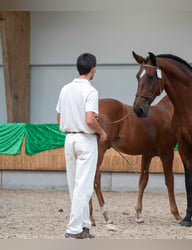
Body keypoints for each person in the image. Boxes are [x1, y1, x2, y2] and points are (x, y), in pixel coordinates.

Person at [56, 52, 107, 239]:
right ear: (93, 70)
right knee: (84, 187)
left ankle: (84, 226)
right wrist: (101, 132)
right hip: (85, 140)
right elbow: (88, 119)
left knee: (74, 185)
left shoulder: (65, 89)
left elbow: (59, 117)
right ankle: (73, 229)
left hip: (69, 139)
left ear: (78, 68)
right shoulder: (91, 91)